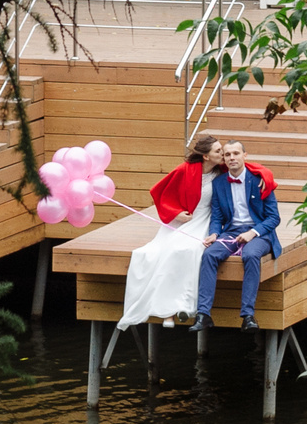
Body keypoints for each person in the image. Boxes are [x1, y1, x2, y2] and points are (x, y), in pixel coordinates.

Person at [117, 136, 222, 329]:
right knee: (150, 254)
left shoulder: (222, 170)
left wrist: (264, 178)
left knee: (187, 250)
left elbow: (252, 168)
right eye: (218, 151)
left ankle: (182, 306)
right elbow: (158, 191)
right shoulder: (185, 170)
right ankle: (166, 311)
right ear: (206, 156)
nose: (222, 154)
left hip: (204, 220)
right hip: (184, 219)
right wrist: (175, 213)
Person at [195, 140, 283, 337]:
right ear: (224, 159)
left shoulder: (260, 180)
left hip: (259, 233)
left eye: (236, 153)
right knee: (209, 255)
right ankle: (203, 313)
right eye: (227, 154)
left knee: (250, 255)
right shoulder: (218, 183)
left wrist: (253, 232)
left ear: (245, 155)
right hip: (231, 232)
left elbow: (274, 217)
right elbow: (217, 216)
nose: (232, 157)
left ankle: (248, 316)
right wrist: (214, 233)